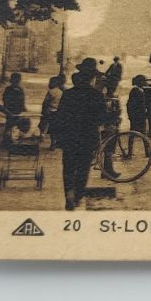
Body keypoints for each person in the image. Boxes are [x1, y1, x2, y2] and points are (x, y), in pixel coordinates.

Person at [54, 60, 104, 211]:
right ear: (92, 78)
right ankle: (77, 196)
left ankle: (69, 193)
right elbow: (102, 118)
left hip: (69, 137)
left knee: (68, 167)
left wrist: (58, 138)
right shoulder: (96, 95)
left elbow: (60, 117)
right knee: (83, 168)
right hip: (87, 138)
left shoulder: (68, 94)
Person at [40, 75, 64, 149]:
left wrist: (43, 110)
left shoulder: (51, 92)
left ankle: (42, 136)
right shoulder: (61, 92)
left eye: (50, 82)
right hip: (58, 112)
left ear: (55, 83)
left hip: (50, 111)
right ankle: (53, 143)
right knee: (55, 128)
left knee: (45, 125)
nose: (49, 84)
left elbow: (45, 102)